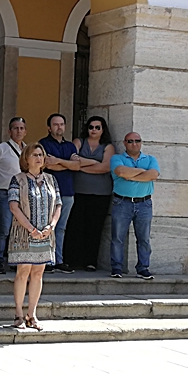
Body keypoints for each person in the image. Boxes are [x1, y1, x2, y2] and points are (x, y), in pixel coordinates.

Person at [7, 142, 62, 331]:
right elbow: (14, 206)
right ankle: (19, 314)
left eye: (41, 154)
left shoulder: (51, 180)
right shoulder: (18, 179)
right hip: (24, 234)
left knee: (38, 273)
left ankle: (32, 314)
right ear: (26, 159)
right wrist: (31, 229)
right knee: (23, 272)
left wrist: (51, 226)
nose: (39, 158)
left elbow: (58, 205)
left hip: (46, 233)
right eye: (34, 155)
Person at [64, 116, 115, 272]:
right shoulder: (78, 142)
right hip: (78, 191)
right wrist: (93, 163)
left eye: (97, 127)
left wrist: (81, 165)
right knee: (75, 226)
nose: (94, 130)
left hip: (101, 194)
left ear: (103, 130)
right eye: (91, 127)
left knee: (94, 228)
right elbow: (72, 161)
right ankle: (71, 260)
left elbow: (106, 167)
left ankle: (90, 261)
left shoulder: (108, 147)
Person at [109, 132, 160, 280]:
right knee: (117, 237)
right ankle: (116, 268)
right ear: (124, 143)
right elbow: (120, 171)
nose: (134, 144)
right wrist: (143, 173)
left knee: (144, 238)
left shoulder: (150, 159)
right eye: (130, 141)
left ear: (141, 142)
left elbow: (154, 175)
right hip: (122, 202)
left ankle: (143, 268)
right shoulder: (117, 158)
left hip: (144, 203)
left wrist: (130, 175)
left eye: (137, 141)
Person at [38, 113, 78, 274]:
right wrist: (68, 163)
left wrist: (60, 161)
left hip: (67, 191)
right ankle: (46, 260)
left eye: (61, 124)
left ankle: (58, 260)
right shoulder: (42, 144)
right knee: (47, 226)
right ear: (49, 127)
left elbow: (77, 166)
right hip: (49, 191)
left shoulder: (70, 146)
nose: (59, 127)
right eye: (55, 124)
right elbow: (48, 165)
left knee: (61, 228)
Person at [0, 117, 27, 275]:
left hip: (22, 194)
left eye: (21, 128)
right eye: (15, 128)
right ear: (9, 131)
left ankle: (14, 259)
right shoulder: (1, 148)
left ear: (25, 131)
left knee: (19, 229)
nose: (19, 131)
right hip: (3, 192)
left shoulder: (28, 149)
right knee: (4, 228)